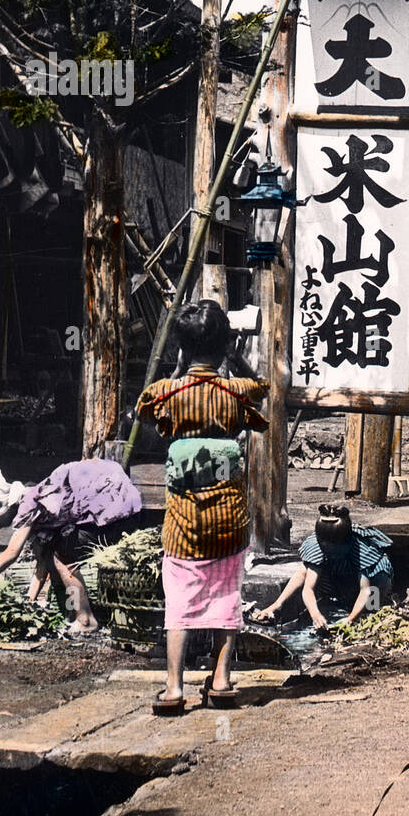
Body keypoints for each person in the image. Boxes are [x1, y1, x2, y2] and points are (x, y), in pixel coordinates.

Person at [135, 300, 268, 716]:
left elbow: (143, 408)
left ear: (181, 349)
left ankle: (174, 688)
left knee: (180, 599)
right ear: (226, 344)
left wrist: (177, 372)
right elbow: (261, 387)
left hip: (183, 522)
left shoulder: (167, 393)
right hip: (229, 518)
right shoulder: (236, 392)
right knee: (227, 594)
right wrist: (235, 361)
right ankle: (223, 681)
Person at [0, 458, 141, 636]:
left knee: (63, 555)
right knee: (55, 553)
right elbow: (42, 565)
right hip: (119, 504)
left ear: (2, 506)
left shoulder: (28, 505)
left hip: (115, 510)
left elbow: (11, 553)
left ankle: (85, 619)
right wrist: (29, 603)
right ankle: (75, 613)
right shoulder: (33, 505)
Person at [253, 503, 393, 631]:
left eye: (335, 549)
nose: (330, 552)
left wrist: (350, 620)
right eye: (326, 548)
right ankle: (277, 605)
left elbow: (365, 590)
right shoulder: (316, 546)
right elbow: (308, 589)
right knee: (305, 570)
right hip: (337, 575)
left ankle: (370, 612)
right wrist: (315, 615)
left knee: (376, 588)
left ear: (346, 541)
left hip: (369, 580)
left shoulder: (360, 549)